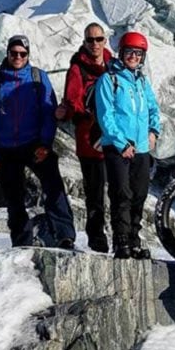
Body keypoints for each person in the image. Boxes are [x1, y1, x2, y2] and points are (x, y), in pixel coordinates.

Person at [0, 35, 76, 249]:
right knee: (14, 198)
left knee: (53, 186)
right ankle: (21, 242)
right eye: (14, 53)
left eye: (22, 53)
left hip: (34, 144)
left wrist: (45, 144)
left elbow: (48, 111)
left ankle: (64, 235)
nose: (18, 57)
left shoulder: (37, 77)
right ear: (7, 54)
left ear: (28, 55)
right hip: (6, 148)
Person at [95, 31, 161, 259]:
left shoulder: (142, 82)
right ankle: (121, 240)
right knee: (121, 193)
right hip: (117, 147)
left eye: (138, 53)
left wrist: (154, 131)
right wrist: (122, 143)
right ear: (121, 53)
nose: (133, 57)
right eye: (129, 52)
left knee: (139, 194)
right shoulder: (109, 80)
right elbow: (106, 116)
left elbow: (153, 108)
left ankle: (134, 237)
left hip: (141, 148)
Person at [55, 23, 112, 253]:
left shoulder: (113, 64)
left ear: (105, 40)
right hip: (89, 139)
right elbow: (72, 100)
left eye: (99, 39)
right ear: (84, 41)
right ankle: (97, 237)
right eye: (90, 40)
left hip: (113, 138)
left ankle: (121, 235)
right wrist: (89, 111)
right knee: (95, 192)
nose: (95, 44)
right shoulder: (78, 69)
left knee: (120, 191)